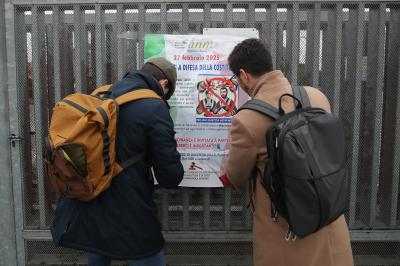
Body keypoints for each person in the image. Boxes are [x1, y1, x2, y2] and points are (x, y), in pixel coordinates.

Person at [220, 38, 354, 266]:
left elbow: (236, 176)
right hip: (329, 219)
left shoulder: (247, 119)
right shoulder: (316, 96)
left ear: (243, 75)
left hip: (287, 231)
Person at [51, 57, 184, 266]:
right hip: (130, 206)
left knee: (99, 248)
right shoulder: (154, 107)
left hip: (91, 197)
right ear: (164, 84)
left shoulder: (101, 94)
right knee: (148, 254)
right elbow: (170, 176)